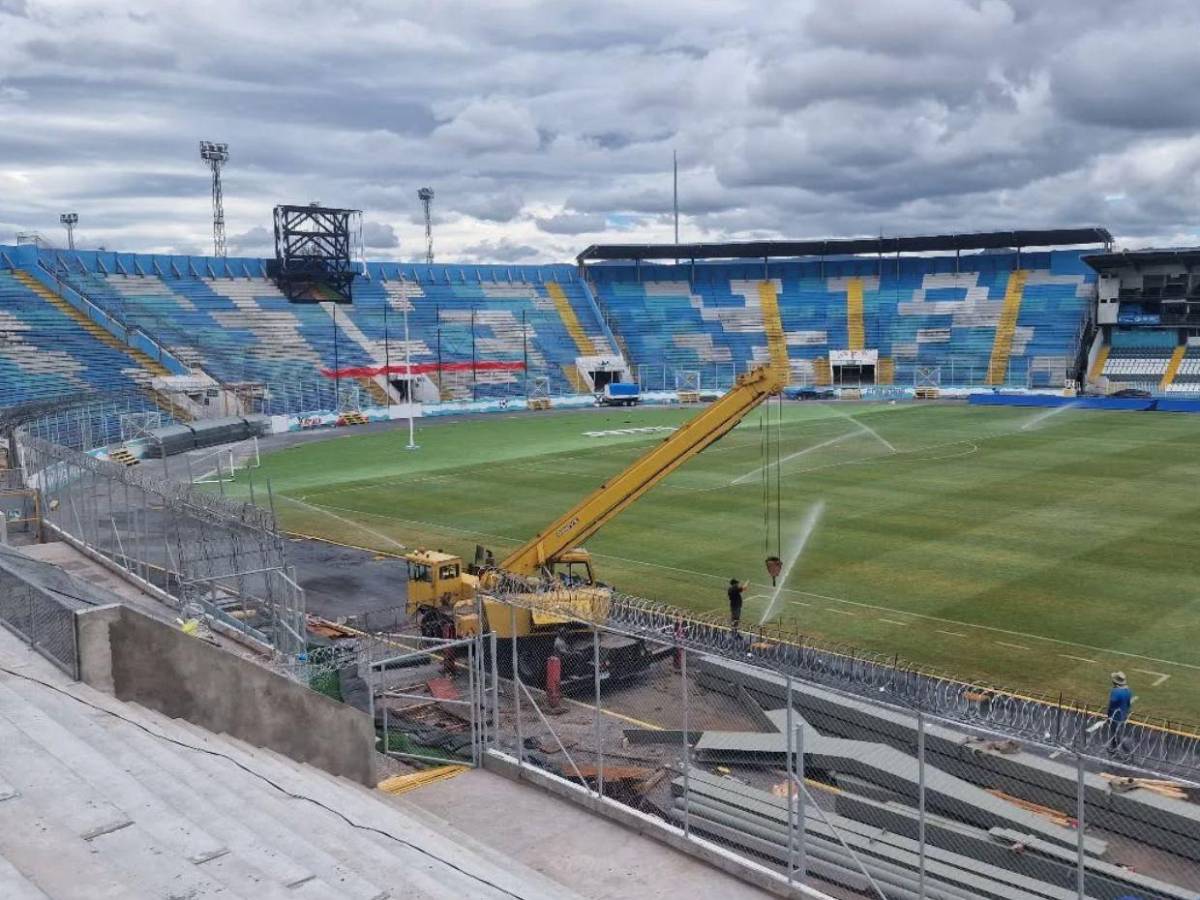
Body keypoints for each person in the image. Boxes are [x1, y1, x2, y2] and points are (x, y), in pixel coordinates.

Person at [1106, 671, 1133, 752]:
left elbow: (1112, 705)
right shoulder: (1128, 691)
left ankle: (1127, 751)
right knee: (1117, 733)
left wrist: (1108, 715)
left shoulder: (1115, 691)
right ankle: (1113, 748)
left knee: (1117, 734)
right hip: (1123, 714)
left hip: (1115, 716)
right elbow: (1128, 704)